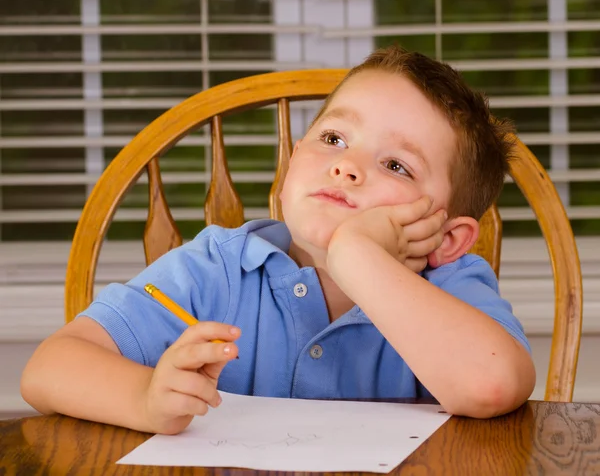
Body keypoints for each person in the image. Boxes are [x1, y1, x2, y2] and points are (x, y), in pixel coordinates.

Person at [21, 45, 536, 435]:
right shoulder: (220, 266)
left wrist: (356, 255)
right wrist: (144, 397)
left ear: (447, 239)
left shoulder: (451, 285)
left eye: (395, 165)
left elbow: (492, 384)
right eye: (334, 139)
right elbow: (48, 369)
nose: (345, 166)